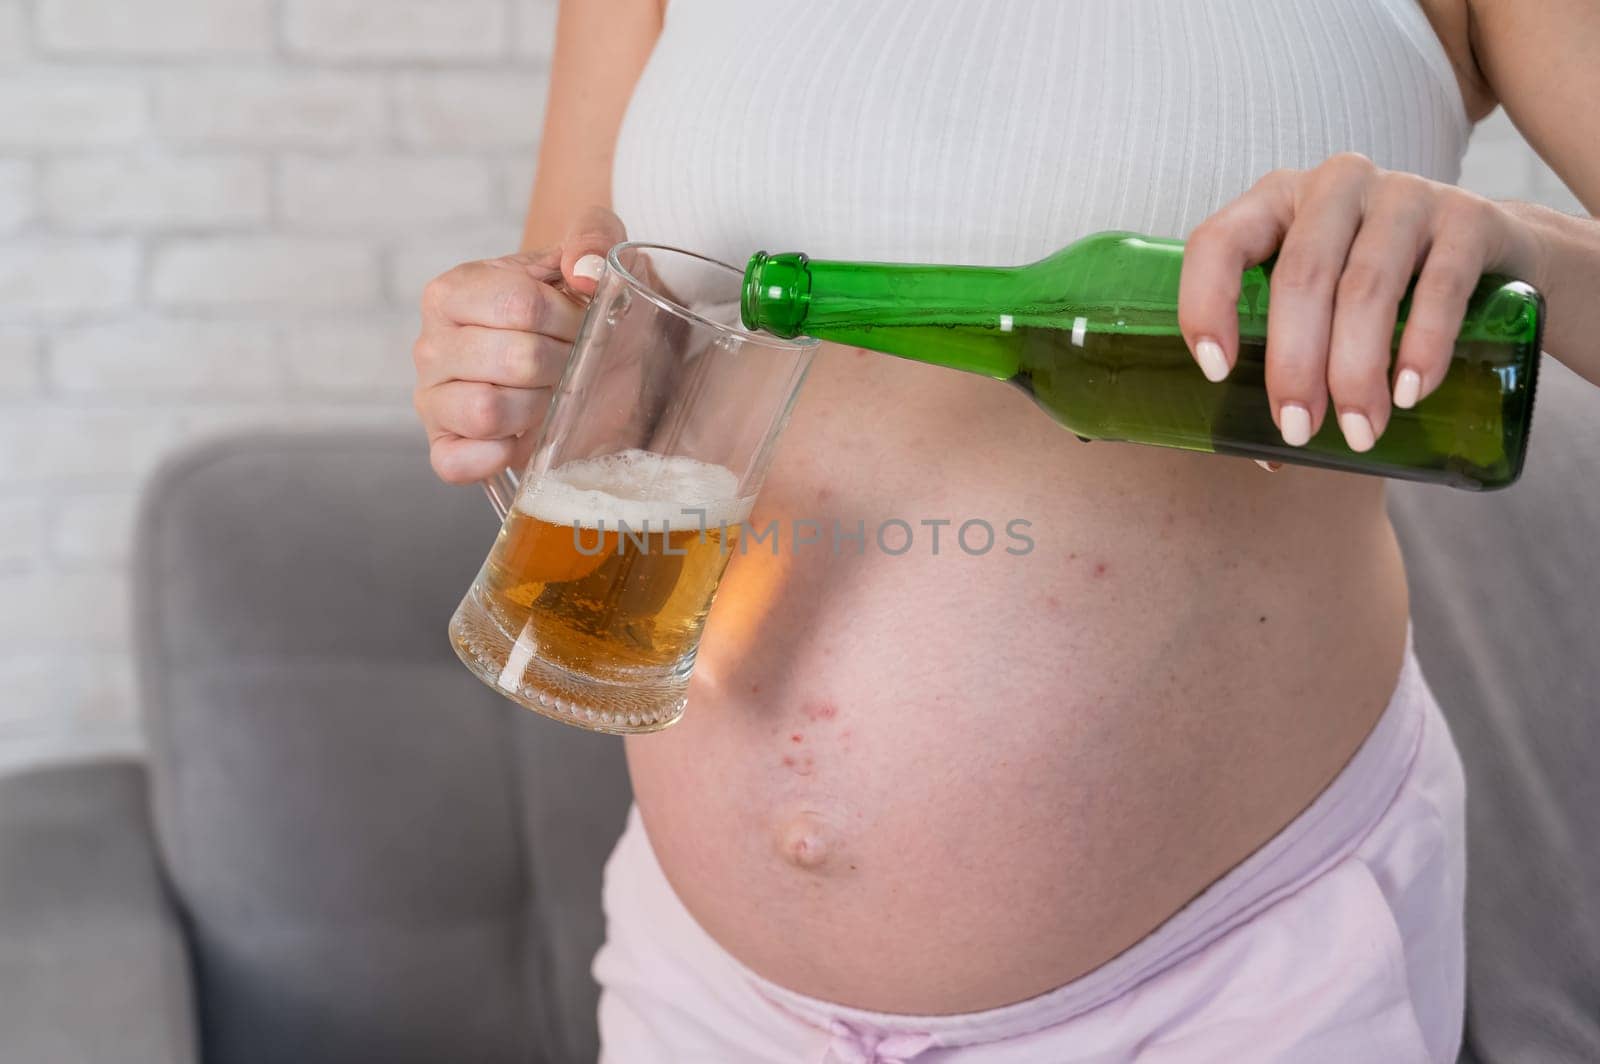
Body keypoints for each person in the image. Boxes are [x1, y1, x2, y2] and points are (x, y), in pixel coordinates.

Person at [411, 1, 1600, 1059]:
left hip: (1228, 985)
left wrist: (1520, 249)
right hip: (708, 992)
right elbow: (587, 343)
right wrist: (507, 362)